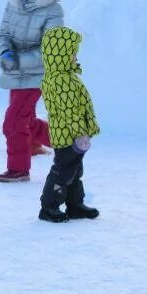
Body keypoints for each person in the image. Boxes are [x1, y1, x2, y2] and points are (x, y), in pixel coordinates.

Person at [0, 0, 63, 183]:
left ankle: (19, 170)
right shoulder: (14, 2)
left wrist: (17, 60)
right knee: (25, 120)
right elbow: (3, 33)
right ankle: (64, 141)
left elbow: (50, 48)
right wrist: (5, 52)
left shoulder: (53, 10)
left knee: (13, 122)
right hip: (14, 72)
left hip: (38, 74)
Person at [37, 26, 101, 222]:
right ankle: (49, 207)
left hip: (71, 134)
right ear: (61, 55)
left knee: (74, 170)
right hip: (69, 136)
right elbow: (70, 112)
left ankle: (75, 205)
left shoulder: (64, 76)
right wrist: (80, 134)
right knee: (62, 171)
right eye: (72, 53)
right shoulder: (61, 81)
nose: (75, 57)